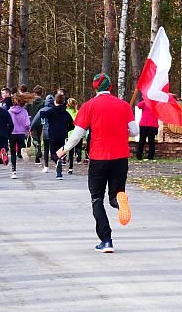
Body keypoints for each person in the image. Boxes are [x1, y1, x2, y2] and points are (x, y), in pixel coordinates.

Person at [57, 73, 137, 253]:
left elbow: (77, 135)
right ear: (110, 87)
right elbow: (135, 131)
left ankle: (106, 240)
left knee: (97, 199)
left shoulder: (88, 106)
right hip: (120, 158)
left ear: (94, 88)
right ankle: (119, 202)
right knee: (115, 194)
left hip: (98, 158)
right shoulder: (124, 105)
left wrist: (64, 150)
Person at [39, 92, 73, 180]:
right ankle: (59, 173)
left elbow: (42, 114)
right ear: (64, 102)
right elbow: (72, 125)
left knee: (53, 154)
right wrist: (66, 130)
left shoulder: (51, 111)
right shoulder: (66, 113)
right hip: (62, 136)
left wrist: (45, 106)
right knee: (60, 152)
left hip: (53, 135)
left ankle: (58, 161)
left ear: (55, 101)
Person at [8, 94, 31, 179]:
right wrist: (28, 130)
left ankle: (13, 171)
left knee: (12, 152)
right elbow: (27, 124)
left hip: (12, 133)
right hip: (21, 133)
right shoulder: (24, 111)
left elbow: (7, 123)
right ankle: (22, 151)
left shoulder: (9, 111)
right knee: (21, 147)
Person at [26, 86, 45, 163]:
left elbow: (26, 111)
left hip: (32, 121)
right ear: (42, 93)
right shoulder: (43, 102)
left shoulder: (30, 102)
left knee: (34, 137)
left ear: (34, 93)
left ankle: (37, 146)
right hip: (40, 122)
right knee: (39, 136)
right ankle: (38, 154)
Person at [66, 98, 82, 174]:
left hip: (70, 134)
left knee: (71, 151)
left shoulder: (66, 112)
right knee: (78, 147)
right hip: (79, 132)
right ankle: (79, 154)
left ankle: (70, 168)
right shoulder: (78, 112)